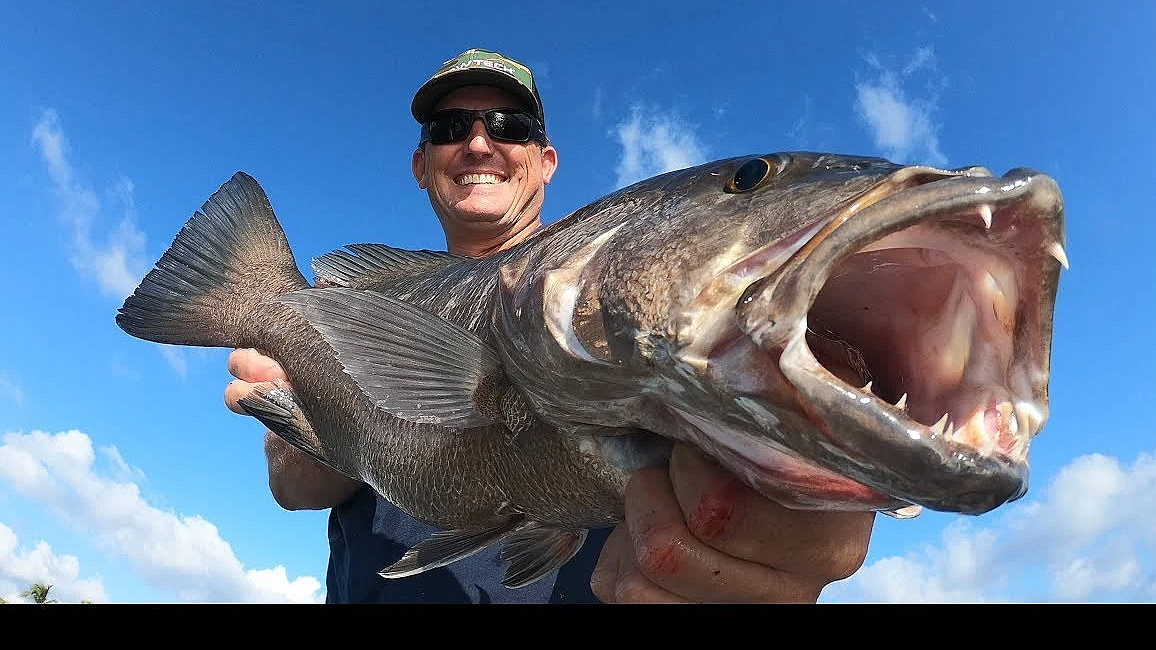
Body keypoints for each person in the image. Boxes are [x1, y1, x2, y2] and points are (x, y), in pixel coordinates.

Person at [225, 48, 876, 603]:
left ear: (546, 161)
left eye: (508, 126)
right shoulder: (350, 307)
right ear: (421, 165)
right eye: (450, 127)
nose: (478, 143)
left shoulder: (634, 294)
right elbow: (291, 489)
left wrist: (804, 474)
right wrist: (315, 416)